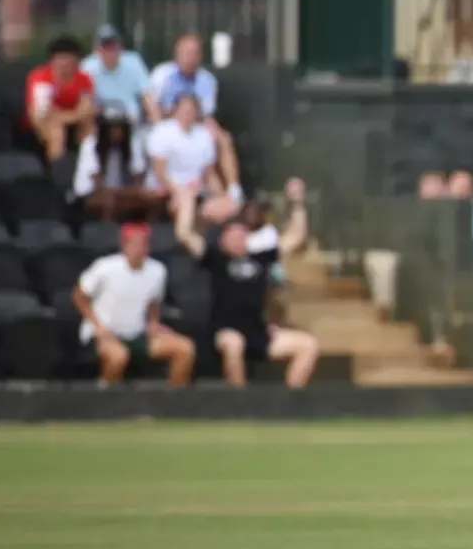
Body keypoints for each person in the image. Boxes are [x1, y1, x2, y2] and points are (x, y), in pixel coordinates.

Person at [175, 180, 319, 388]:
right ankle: (240, 404)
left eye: (242, 235)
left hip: (258, 332)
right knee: (234, 344)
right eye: (231, 235)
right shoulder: (216, 259)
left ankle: (290, 403)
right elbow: (184, 234)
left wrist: (297, 203)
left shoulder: (261, 257)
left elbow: (296, 236)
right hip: (225, 332)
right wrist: (187, 201)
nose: (237, 239)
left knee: (308, 345)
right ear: (223, 239)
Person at [74, 222, 194, 386]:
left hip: (136, 333)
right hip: (103, 333)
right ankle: (104, 395)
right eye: (134, 243)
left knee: (184, 348)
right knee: (118, 356)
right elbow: (79, 295)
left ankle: (173, 400)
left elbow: (153, 301)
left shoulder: (157, 270)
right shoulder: (105, 267)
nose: (139, 248)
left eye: (143, 243)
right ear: (124, 245)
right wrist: (97, 325)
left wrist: (153, 322)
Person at [148, 33, 240, 190]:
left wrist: (211, 129)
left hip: (195, 125)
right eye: (186, 53)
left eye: (194, 53)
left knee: (224, 139)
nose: (190, 57)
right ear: (176, 54)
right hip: (165, 125)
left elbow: (206, 114)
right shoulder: (162, 74)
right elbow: (152, 107)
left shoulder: (207, 79)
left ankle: (233, 191)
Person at [145, 93, 229, 216]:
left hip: (197, 193)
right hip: (166, 192)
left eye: (191, 110)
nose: (187, 114)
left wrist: (221, 196)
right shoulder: (161, 132)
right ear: (175, 111)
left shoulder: (204, 135)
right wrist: (179, 192)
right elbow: (160, 173)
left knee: (228, 206)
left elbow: (210, 175)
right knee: (185, 201)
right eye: (184, 110)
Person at [25, 34, 97, 162]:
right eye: (61, 58)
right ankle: (59, 173)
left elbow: (87, 109)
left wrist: (67, 117)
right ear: (52, 60)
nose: (64, 63)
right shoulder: (41, 77)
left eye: (69, 58)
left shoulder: (84, 78)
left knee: (89, 126)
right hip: (40, 123)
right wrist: (71, 116)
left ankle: (88, 170)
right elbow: (42, 112)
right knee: (56, 131)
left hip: (71, 120)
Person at [73, 111, 155, 220]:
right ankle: (107, 231)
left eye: (120, 128)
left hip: (123, 193)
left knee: (148, 199)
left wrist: (131, 193)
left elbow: (137, 180)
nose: (117, 132)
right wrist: (121, 193)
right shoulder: (90, 144)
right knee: (108, 200)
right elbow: (98, 184)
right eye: (113, 128)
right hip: (89, 193)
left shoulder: (132, 144)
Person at [81, 25, 155, 124]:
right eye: (105, 46)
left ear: (120, 46)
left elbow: (148, 96)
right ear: (96, 50)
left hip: (131, 121)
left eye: (112, 46)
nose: (109, 51)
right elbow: (84, 100)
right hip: (100, 122)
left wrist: (158, 126)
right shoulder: (87, 67)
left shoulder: (134, 61)